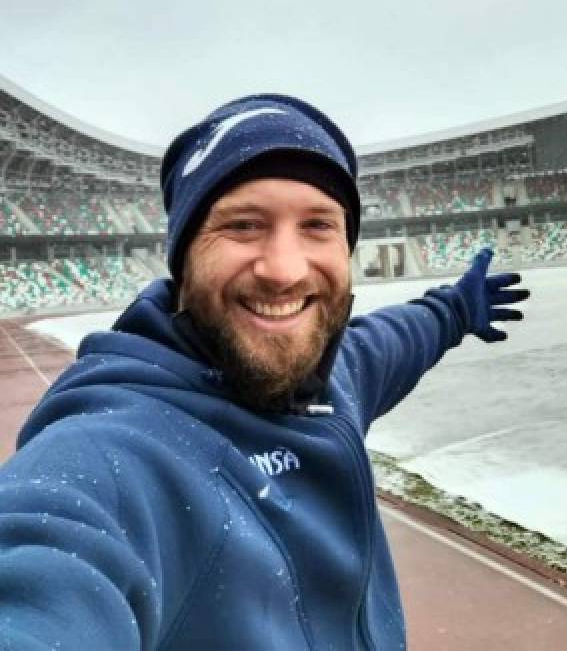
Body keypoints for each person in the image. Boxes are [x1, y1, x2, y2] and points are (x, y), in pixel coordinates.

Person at [0, 94, 529, 648]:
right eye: (245, 225)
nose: (283, 269)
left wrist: (451, 312)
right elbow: (43, 568)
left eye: (318, 226)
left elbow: (389, 341)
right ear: (184, 259)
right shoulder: (111, 454)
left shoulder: (333, 381)